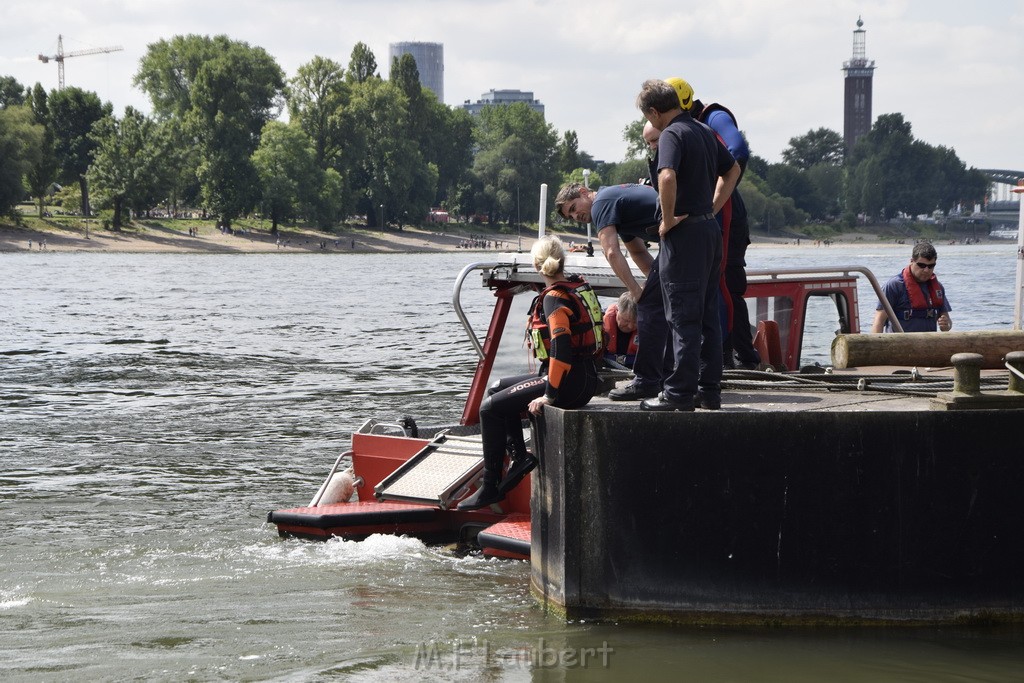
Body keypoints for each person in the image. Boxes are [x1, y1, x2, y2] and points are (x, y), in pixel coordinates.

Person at [457, 235, 602, 510]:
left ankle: (490, 487)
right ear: (562, 260)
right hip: (584, 378)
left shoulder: (554, 299)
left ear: (537, 264)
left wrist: (549, 394)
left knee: (489, 409)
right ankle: (519, 457)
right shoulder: (576, 285)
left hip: (568, 384)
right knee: (497, 388)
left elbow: (561, 349)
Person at [635, 78, 740, 412]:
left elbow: (666, 177)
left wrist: (666, 220)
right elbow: (733, 168)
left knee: (681, 316)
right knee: (709, 315)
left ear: (654, 111)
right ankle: (709, 391)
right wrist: (713, 207)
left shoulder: (672, 134)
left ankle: (679, 392)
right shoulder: (703, 130)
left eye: (649, 117)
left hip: (685, 235)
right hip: (709, 233)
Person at [555, 181, 665, 400]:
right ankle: (667, 375)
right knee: (658, 300)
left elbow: (611, 252)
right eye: (571, 216)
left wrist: (637, 293)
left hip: (680, 233)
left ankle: (648, 382)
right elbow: (638, 251)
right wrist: (656, 283)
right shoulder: (616, 203)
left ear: (585, 193)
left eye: (574, 208)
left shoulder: (601, 204)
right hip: (686, 234)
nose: (576, 217)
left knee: (648, 308)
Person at [870, 242, 952, 333]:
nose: (926, 270)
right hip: (899, 344)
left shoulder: (938, 288)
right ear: (912, 261)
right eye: (921, 265)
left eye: (931, 266)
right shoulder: (894, 286)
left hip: (928, 345)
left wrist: (946, 325)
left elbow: (947, 322)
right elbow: (879, 321)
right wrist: (877, 346)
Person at [603, 293, 639, 369]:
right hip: (607, 366)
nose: (630, 326)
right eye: (626, 321)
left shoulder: (648, 328)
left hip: (635, 368)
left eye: (635, 322)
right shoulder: (600, 323)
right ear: (617, 311)